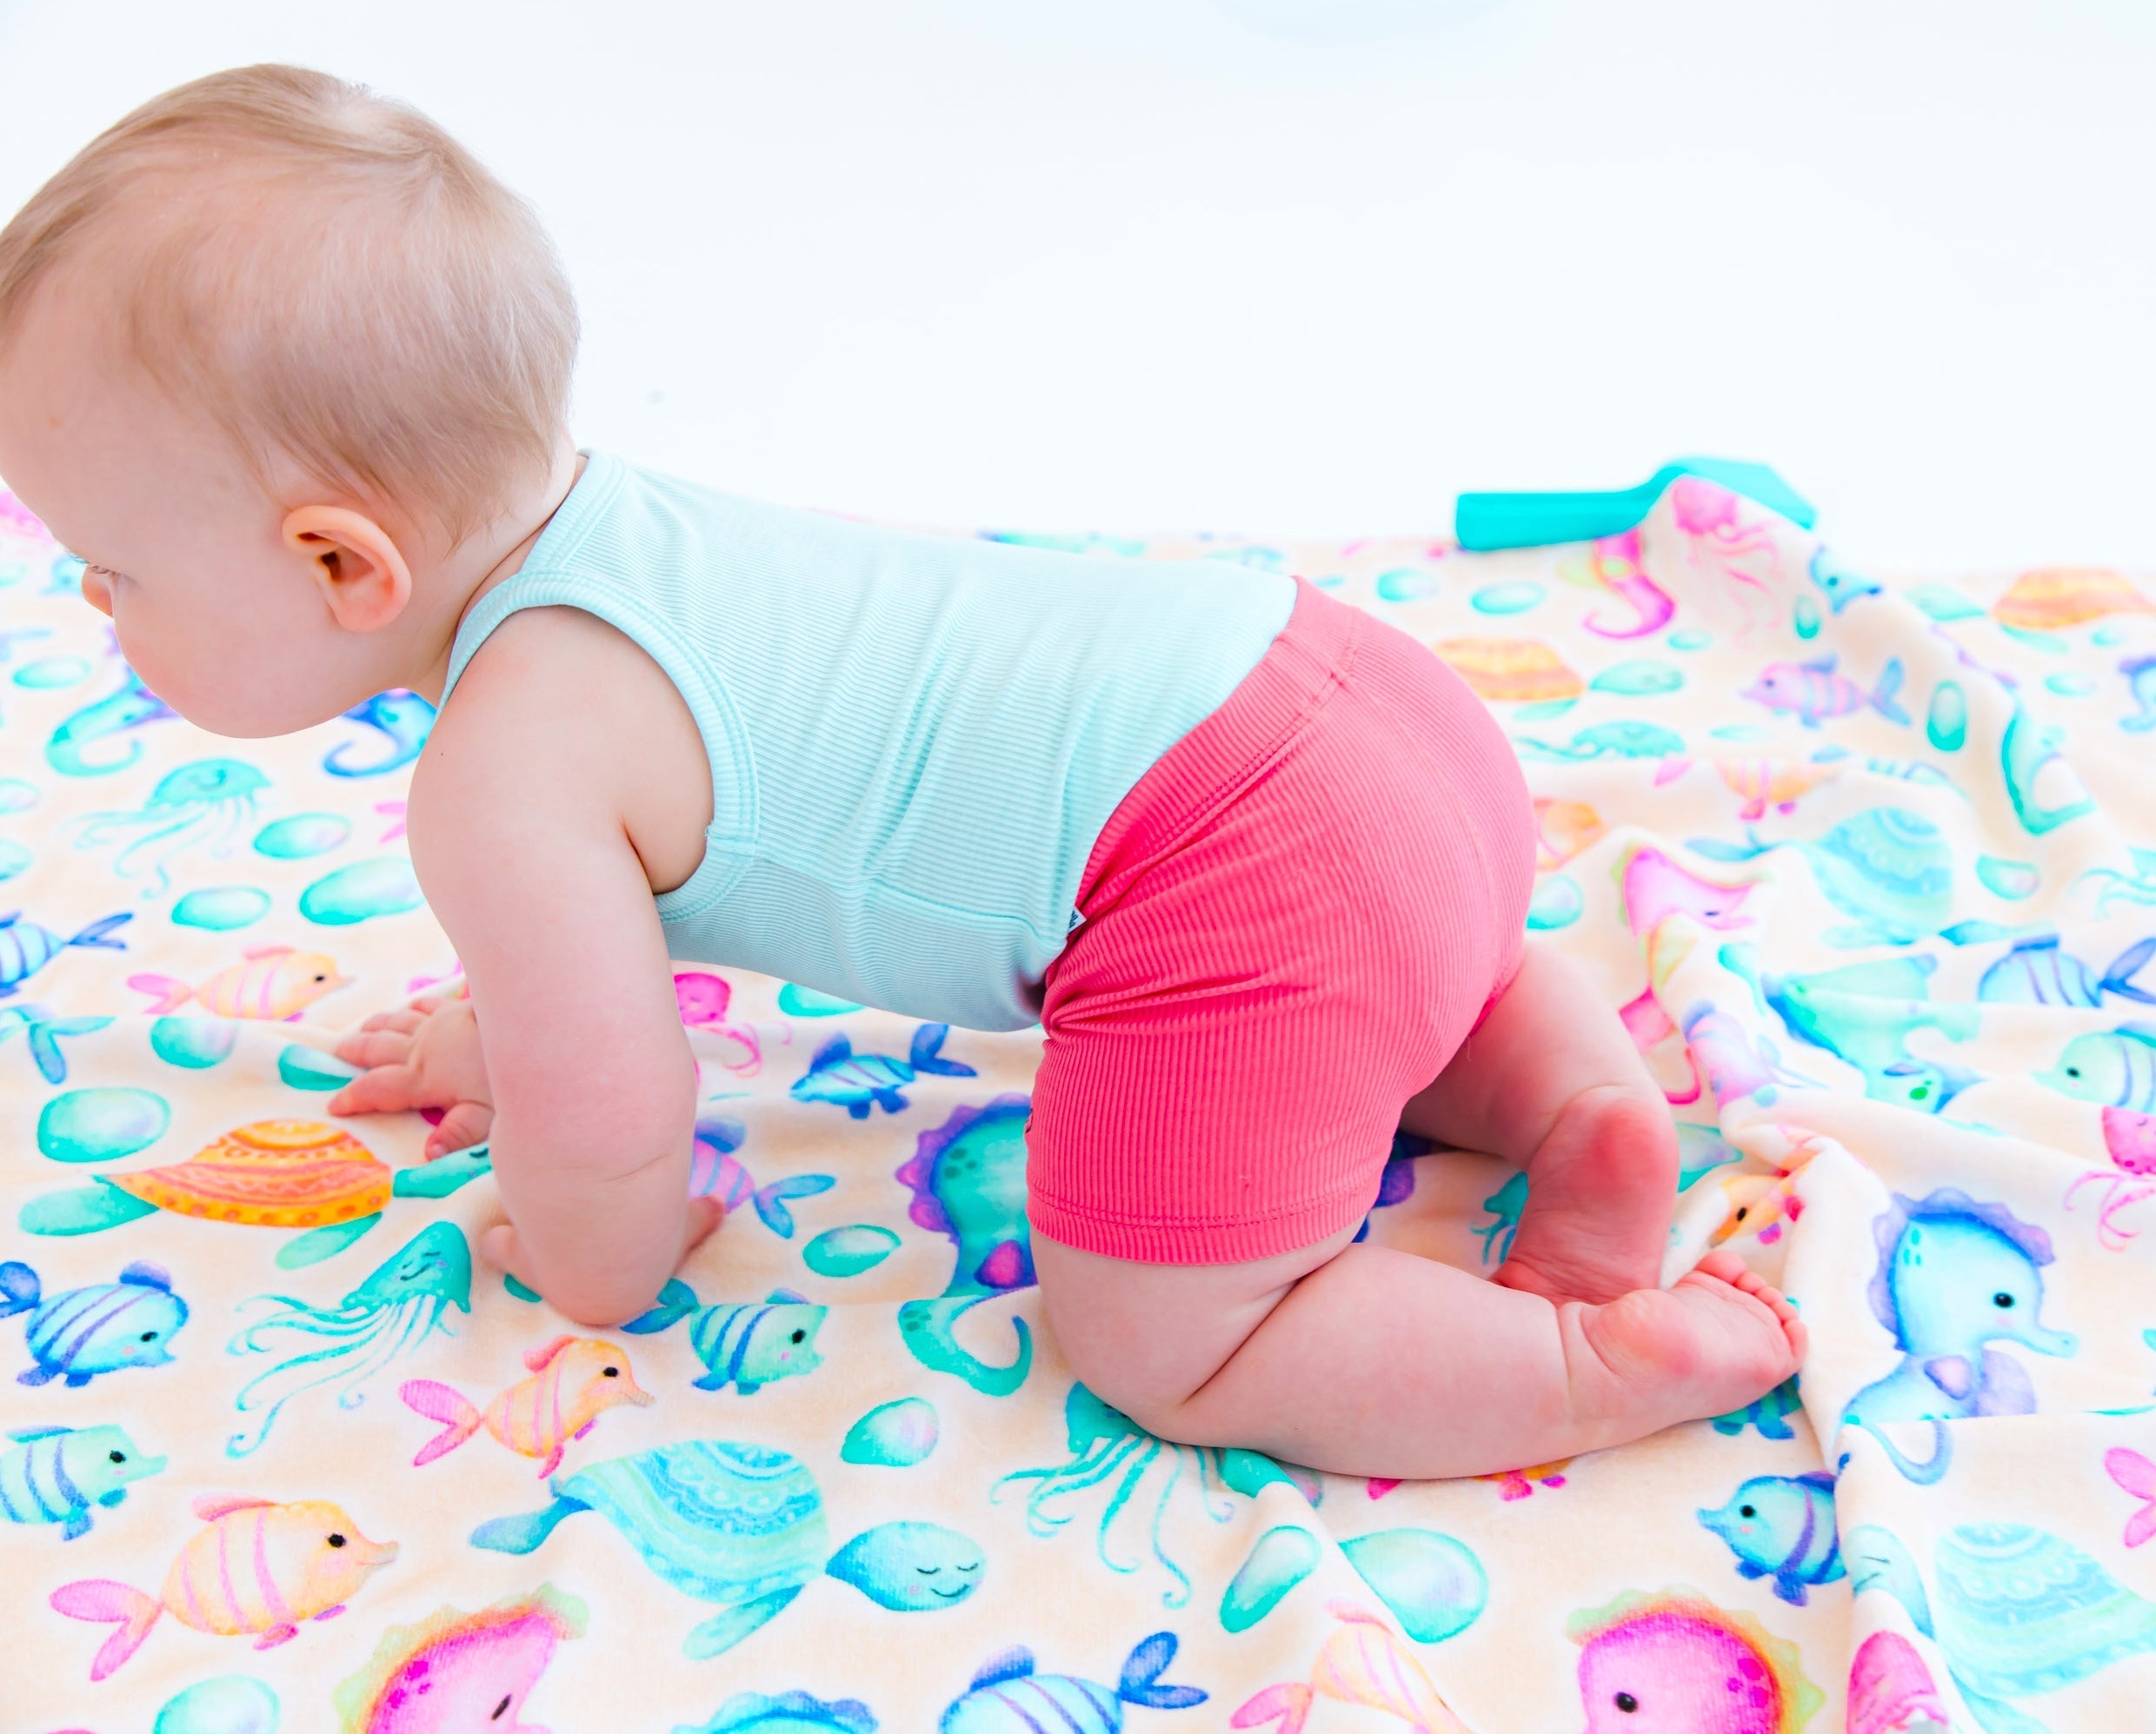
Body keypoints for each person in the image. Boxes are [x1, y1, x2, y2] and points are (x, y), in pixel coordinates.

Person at [0, 64, 1800, 1478]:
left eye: (114, 568)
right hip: (1346, 695)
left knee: (1170, 1330)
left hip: (1238, 867)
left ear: (341, 568)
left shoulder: (501, 766)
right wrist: (500, 1030)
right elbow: (617, 913)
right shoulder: (627, 525)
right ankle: (1568, 1099)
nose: (90, 603)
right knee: (1406, 968)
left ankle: (1574, 1361)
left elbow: (612, 1108)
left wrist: (588, 1255)